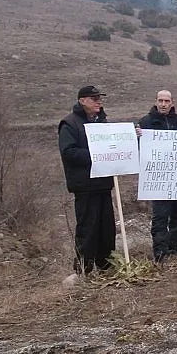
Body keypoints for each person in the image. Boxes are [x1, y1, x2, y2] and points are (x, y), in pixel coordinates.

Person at [58, 86, 116, 275]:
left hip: (103, 183)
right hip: (85, 185)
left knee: (107, 227)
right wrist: (97, 155)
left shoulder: (102, 122)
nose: (99, 101)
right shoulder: (69, 123)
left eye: (100, 98)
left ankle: (106, 264)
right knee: (88, 227)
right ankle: (85, 267)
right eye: (94, 98)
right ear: (82, 100)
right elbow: (68, 152)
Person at [138, 90, 177, 261]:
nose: (163, 104)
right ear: (156, 101)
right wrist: (137, 136)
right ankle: (160, 252)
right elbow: (137, 148)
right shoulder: (145, 122)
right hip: (158, 179)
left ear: (172, 102)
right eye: (160, 100)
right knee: (160, 216)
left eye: (166, 101)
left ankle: (175, 247)